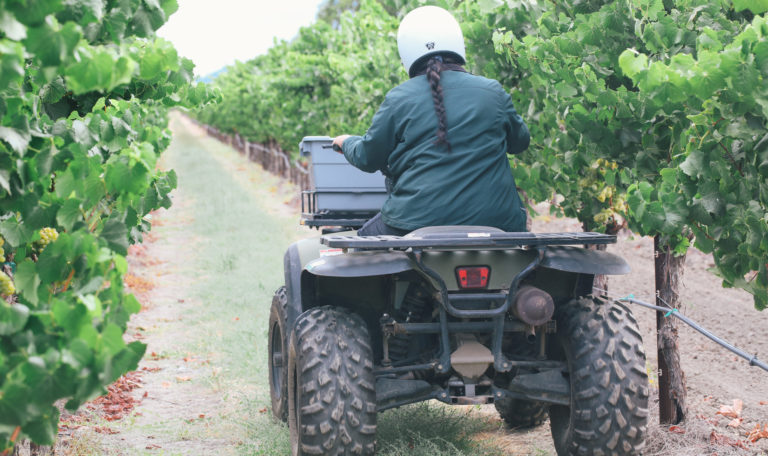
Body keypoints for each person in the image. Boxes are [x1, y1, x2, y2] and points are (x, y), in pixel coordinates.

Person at [332, 5, 529, 236]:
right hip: (499, 221)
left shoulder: (399, 98)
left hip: (414, 220)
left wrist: (345, 142)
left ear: (407, 52)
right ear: (457, 43)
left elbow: (367, 158)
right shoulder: (492, 91)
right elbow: (520, 142)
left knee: (361, 251)